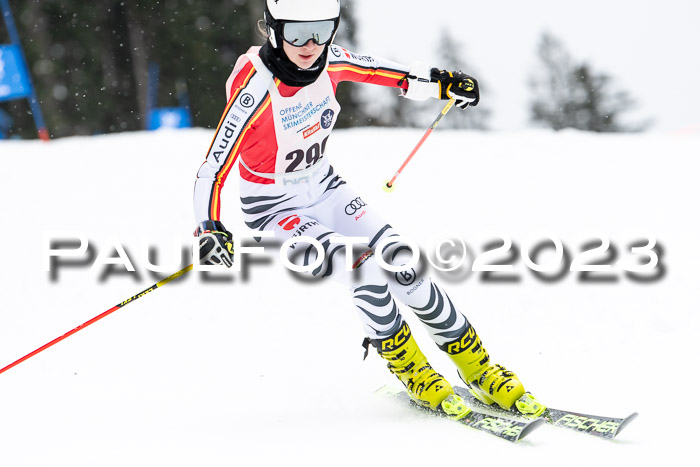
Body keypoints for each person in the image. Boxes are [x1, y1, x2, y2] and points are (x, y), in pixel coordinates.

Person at [193, 0, 544, 419]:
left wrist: (443, 84)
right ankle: (412, 369)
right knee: (363, 267)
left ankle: (479, 368)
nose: (310, 45)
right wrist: (209, 226)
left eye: (322, 30)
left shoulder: (331, 60)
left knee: (403, 262)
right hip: (273, 209)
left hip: (325, 189)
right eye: (297, 34)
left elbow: (389, 73)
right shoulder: (255, 90)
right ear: (272, 29)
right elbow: (212, 167)